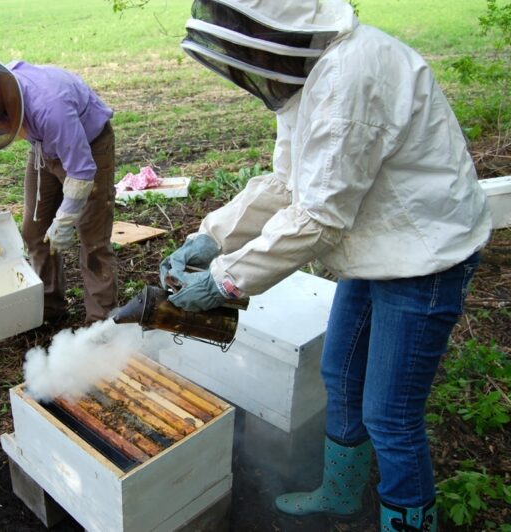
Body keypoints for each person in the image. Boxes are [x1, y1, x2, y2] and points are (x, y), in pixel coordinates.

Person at [160, 1, 493, 530]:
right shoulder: (310, 74)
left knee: (391, 415)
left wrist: (225, 279)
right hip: (376, 249)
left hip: (425, 257)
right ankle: (341, 493)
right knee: (339, 372)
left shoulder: (349, 83)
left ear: (275, 30)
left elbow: (318, 217)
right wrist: (211, 237)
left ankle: (406, 522)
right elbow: (288, 184)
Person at [0, 58, 117, 324]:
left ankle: (102, 322)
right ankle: (49, 307)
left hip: (89, 146)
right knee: (34, 232)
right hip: (43, 148)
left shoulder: (50, 107)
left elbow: (80, 171)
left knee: (92, 237)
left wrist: (65, 221)